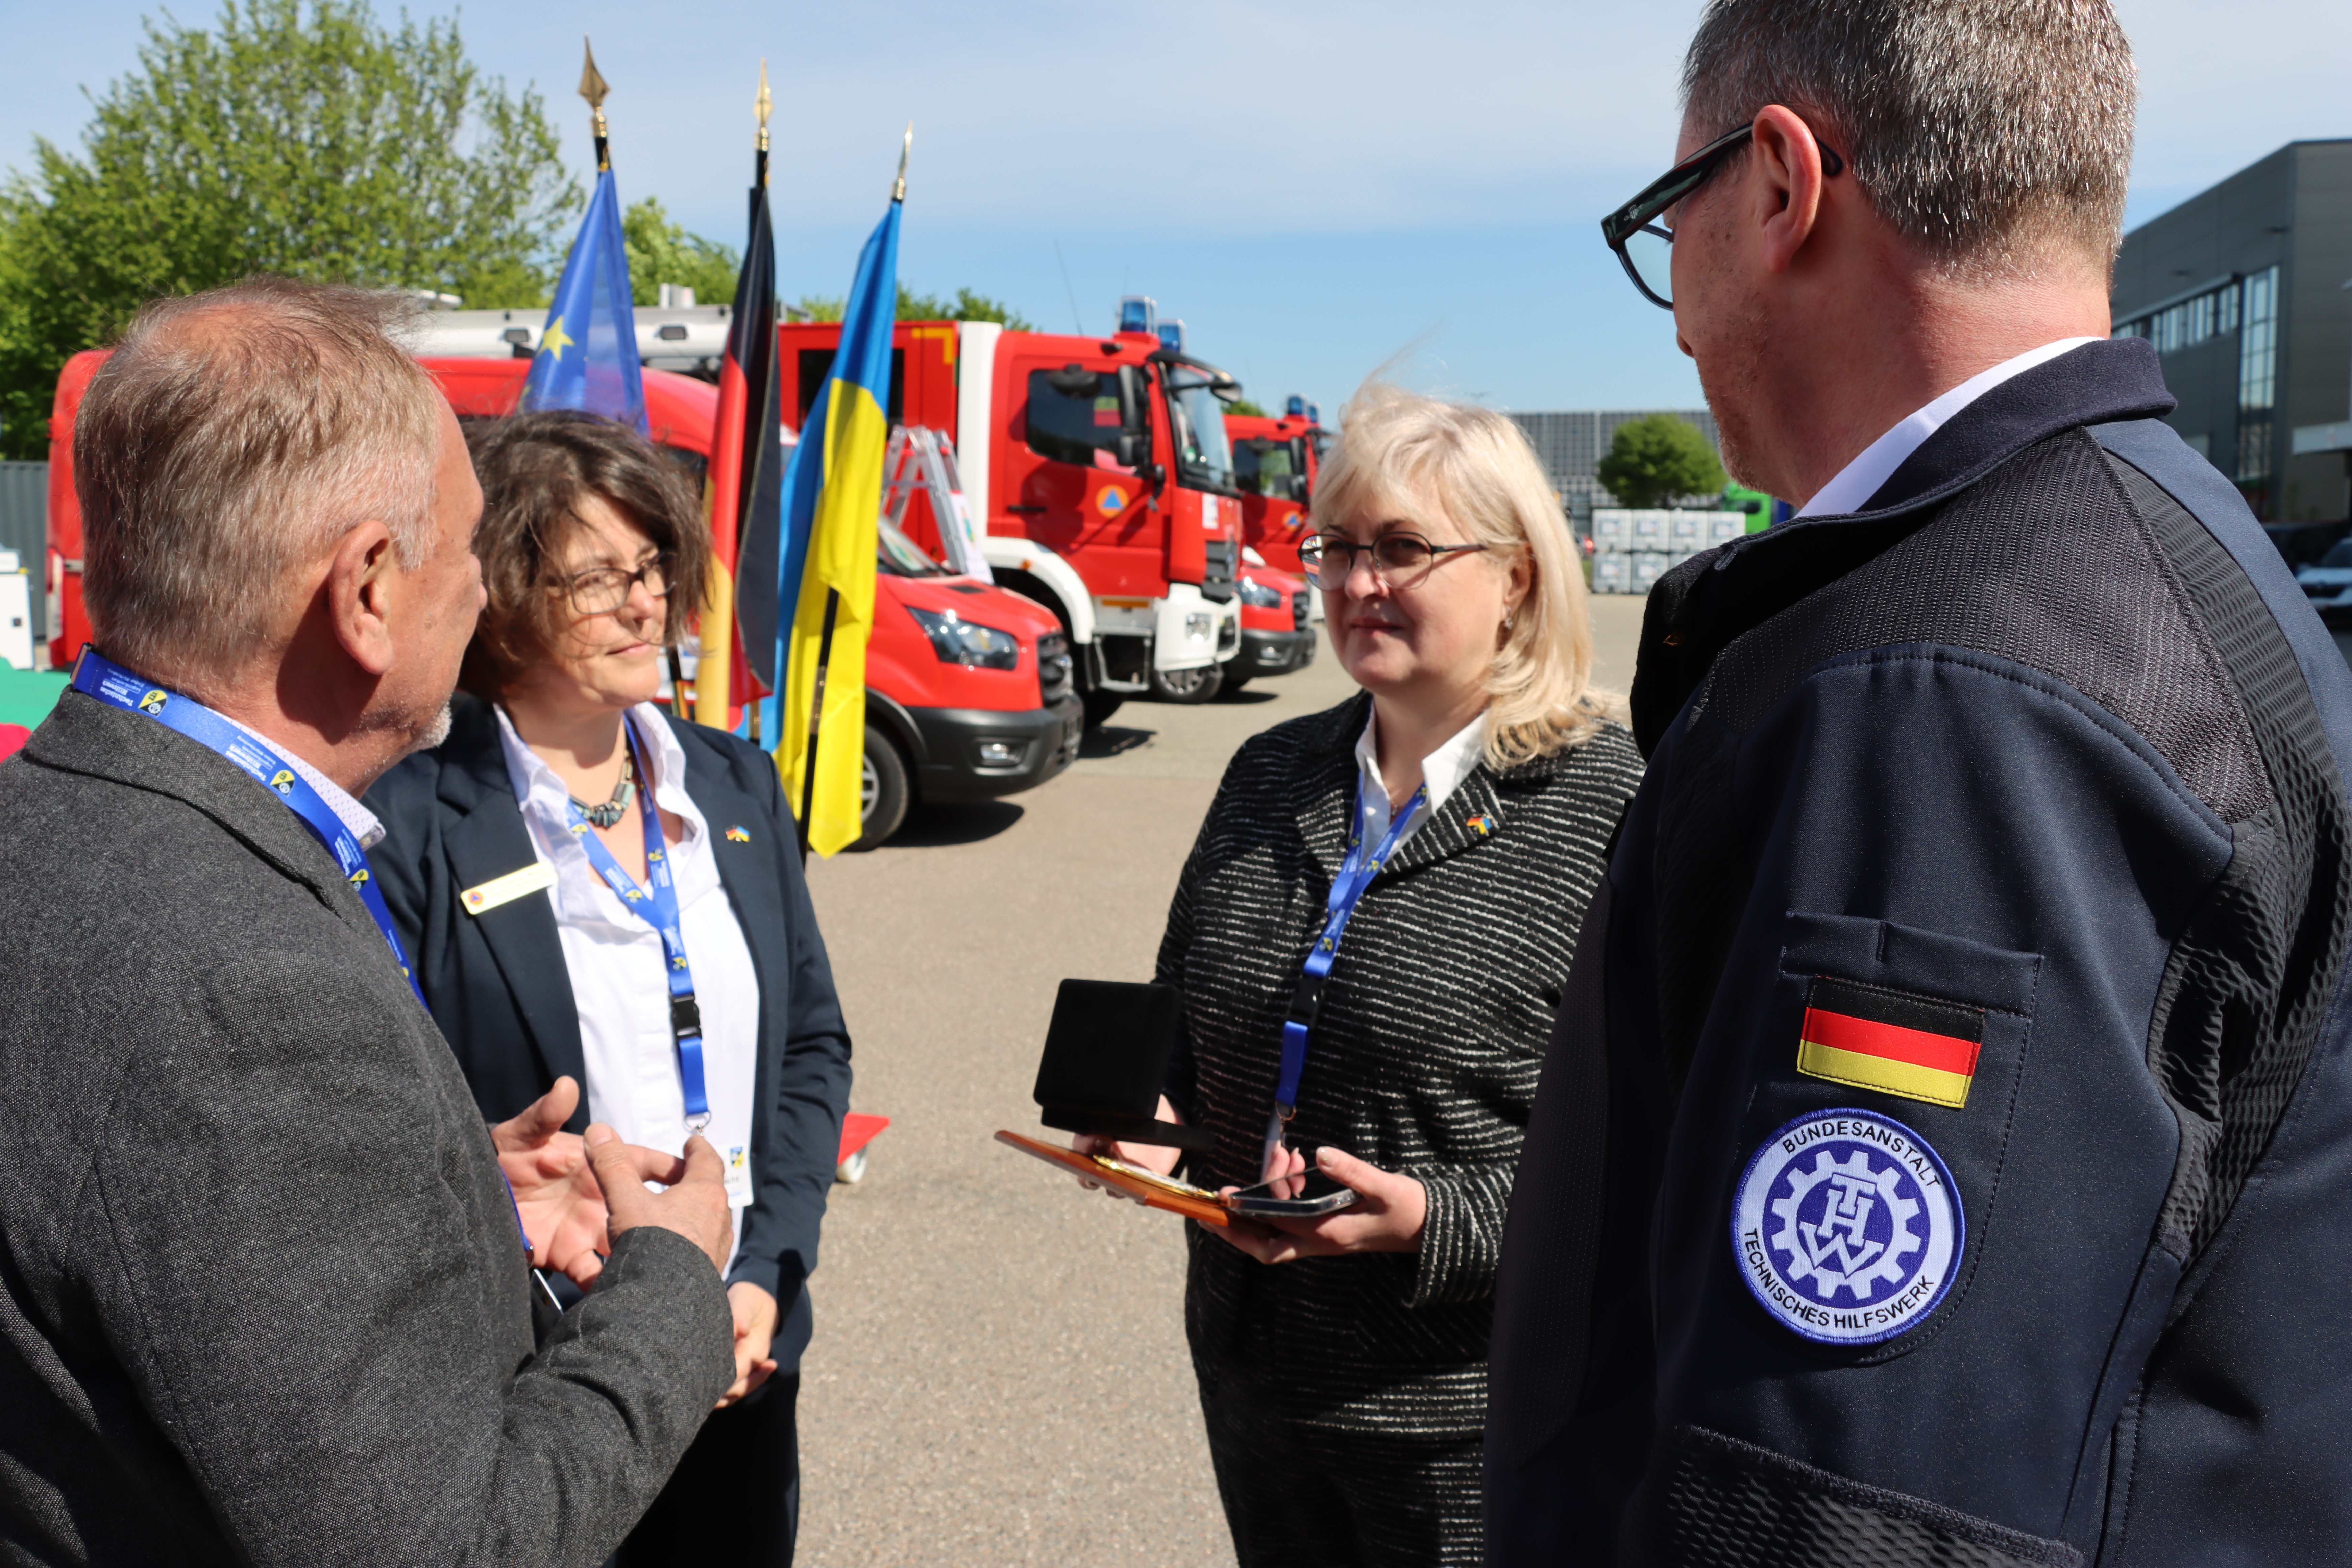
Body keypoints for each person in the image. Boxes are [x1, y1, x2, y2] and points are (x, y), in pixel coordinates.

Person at [1486, 2, 2352, 1563]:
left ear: (1778, 185)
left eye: (1661, 224)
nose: (1670, 307)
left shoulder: (1954, 687)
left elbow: (1848, 1502)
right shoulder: (2156, 549)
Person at [0, 278, 740, 1563]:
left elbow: (129, 1235)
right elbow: (450, 1547)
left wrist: (438, 1198)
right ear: (367, 592)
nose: (477, 596)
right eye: (463, 552)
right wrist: (671, 1283)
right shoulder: (247, 992)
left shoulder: (52, 821)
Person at [1083, 385, 1643, 1566]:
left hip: (1461, 1413)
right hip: (1251, 1367)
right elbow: (1185, 1009)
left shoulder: (1614, 806)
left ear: (1519, 578)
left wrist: (1438, 1219)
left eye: (1401, 549)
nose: (1354, 584)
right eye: (1335, 548)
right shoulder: (1270, 769)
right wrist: (1150, 1122)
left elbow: (1661, 1147)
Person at [366, 409, 853, 1567]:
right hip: (547, 1379)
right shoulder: (417, 820)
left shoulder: (733, 783)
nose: (649, 604)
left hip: (745, 1346)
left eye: (653, 567)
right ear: (508, 599)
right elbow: (396, 1127)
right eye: (599, 579)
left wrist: (767, 1273)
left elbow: (809, 1054)